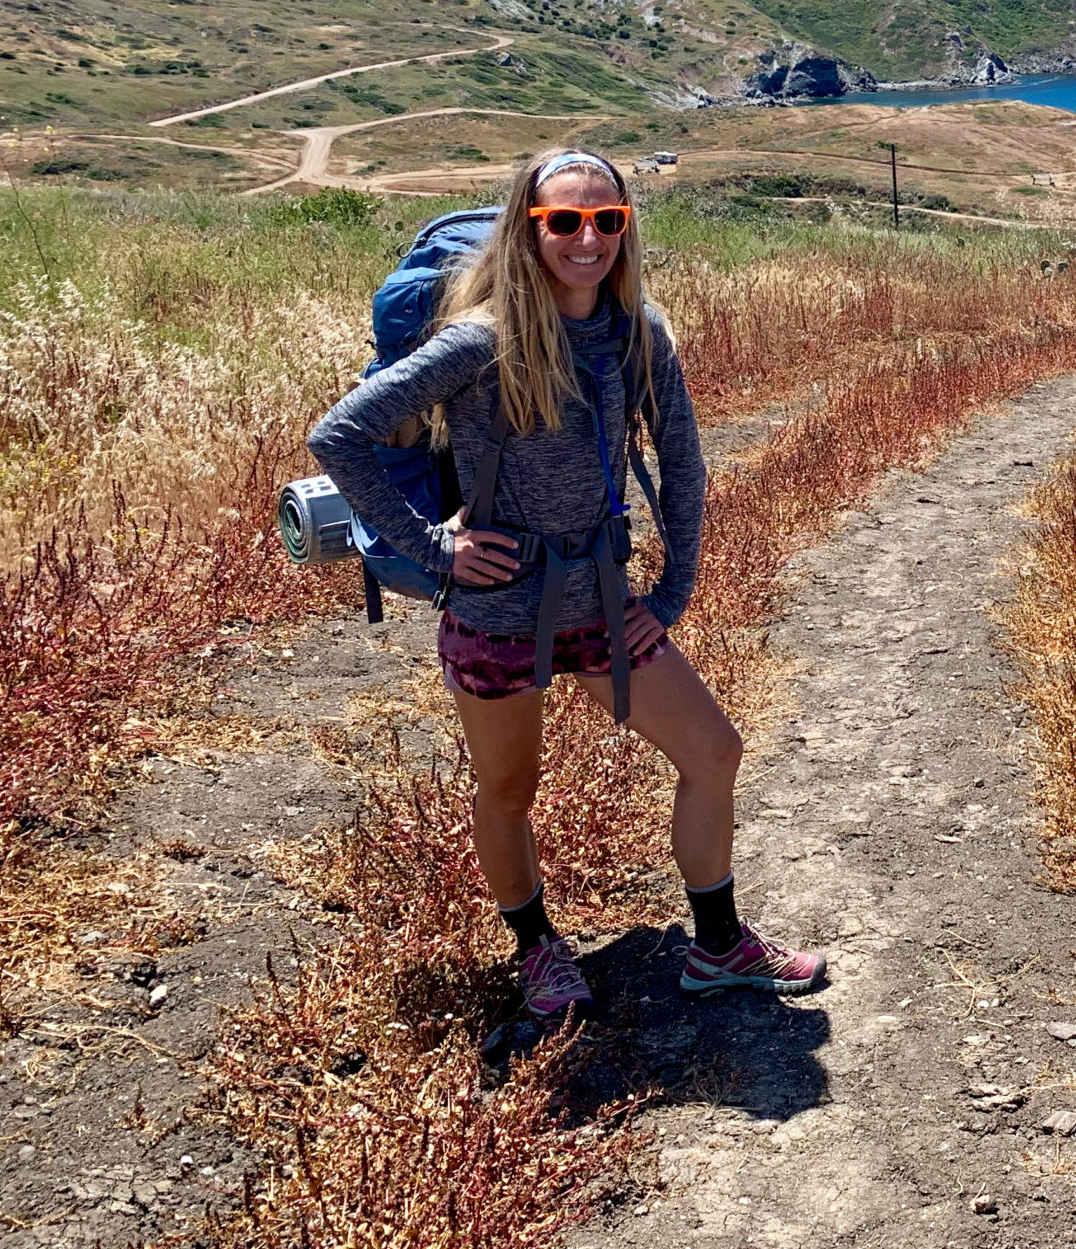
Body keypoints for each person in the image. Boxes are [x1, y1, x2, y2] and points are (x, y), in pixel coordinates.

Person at [307, 147, 828, 1020]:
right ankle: (536, 949)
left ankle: (718, 947)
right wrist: (434, 551)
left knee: (714, 752)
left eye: (606, 221)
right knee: (508, 791)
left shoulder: (638, 331)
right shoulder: (482, 339)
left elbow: (686, 464)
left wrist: (669, 596)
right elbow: (340, 436)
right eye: (564, 222)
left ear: (625, 230)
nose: (586, 239)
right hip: (497, 610)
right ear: (528, 227)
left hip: (604, 601)